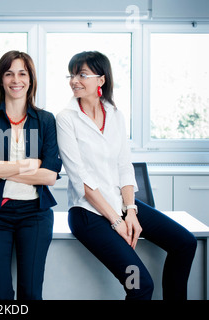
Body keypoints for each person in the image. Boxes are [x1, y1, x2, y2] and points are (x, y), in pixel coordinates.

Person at [56, 51, 197, 300]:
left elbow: (124, 166)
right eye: (72, 74)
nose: (74, 80)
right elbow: (80, 178)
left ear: (101, 80)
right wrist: (116, 220)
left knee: (185, 243)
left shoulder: (115, 115)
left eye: (82, 74)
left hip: (121, 204)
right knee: (140, 285)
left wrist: (130, 210)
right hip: (88, 213)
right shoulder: (66, 119)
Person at [0, 50, 62, 300]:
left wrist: (0, 167)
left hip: (35, 214)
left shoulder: (45, 120)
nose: (15, 80)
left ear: (30, 79)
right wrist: (29, 165)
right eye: (9, 73)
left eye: (22, 73)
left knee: (31, 293)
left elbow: (50, 177)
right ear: (1, 79)